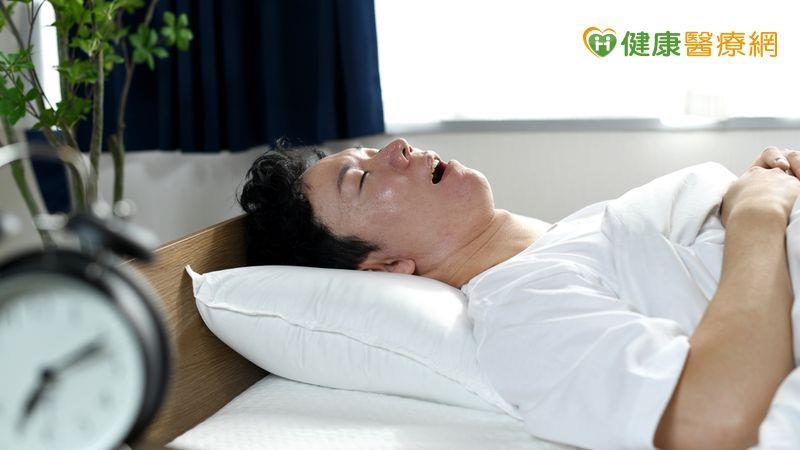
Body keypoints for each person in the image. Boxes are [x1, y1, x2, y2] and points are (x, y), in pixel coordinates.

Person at [238, 138, 800, 449]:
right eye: (361, 179)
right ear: (387, 267)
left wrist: (756, 186)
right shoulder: (523, 312)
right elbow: (711, 421)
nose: (397, 148)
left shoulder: (575, 233)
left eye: (368, 150)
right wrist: (757, 215)